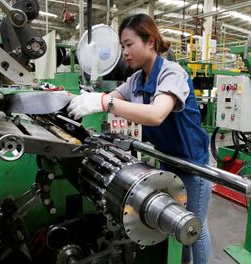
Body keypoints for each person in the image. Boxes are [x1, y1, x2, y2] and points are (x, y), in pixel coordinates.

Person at [67, 13, 212, 264]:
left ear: (150, 42)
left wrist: (103, 102)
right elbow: (110, 98)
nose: (124, 52)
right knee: (174, 226)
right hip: (168, 161)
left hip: (193, 165)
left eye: (129, 44)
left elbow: (156, 115)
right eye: (122, 46)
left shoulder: (171, 73)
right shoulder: (135, 79)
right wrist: (72, 99)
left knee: (193, 227)